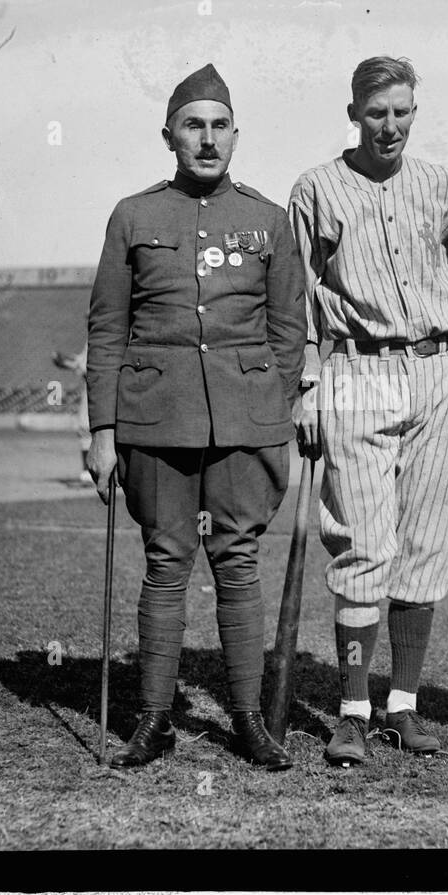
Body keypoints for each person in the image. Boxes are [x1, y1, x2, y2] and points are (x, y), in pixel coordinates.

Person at [86, 63, 307, 772]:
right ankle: (153, 719)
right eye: (193, 126)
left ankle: (248, 720)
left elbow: (287, 330)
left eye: (219, 127)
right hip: (156, 417)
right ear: (169, 135)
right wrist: (100, 431)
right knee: (165, 563)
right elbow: (107, 328)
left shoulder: (269, 220)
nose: (207, 140)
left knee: (238, 563)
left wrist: (272, 414)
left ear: (235, 134)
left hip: (245, 421)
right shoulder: (133, 215)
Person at [288, 56, 448, 766]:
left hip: (438, 371)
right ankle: (351, 709)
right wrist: (308, 383)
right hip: (358, 367)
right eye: (377, 112)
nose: (391, 125)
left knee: (423, 543)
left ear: (416, 111)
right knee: (362, 542)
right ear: (354, 113)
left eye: (403, 111)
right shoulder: (316, 189)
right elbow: (296, 297)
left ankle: (402, 706)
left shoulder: (442, 184)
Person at [51, 346, 92, 484]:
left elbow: (86, 365)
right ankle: (88, 471)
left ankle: (91, 471)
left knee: (87, 426)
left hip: (101, 385)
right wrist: (67, 361)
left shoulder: (103, 329)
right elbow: (82, 362)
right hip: (92, 385)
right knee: (85, 426)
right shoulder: (94, 332)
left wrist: (68, 362)